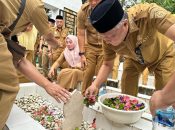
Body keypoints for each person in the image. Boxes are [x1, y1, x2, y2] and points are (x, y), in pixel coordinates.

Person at [85, 0, 175, 100]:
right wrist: (95, 85)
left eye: (111, 36)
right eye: (104, 38)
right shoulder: (107, 39)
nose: (108, 42)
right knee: (126, 94)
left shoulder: (147, 13)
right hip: (133, 59)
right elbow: (107, 64)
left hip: (162, 55)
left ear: (125, 24)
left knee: (166, 97)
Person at [0, 0, 70, 129]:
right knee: (8, 84)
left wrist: (47, 85)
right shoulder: (36, 5)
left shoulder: (8, 28)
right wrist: (56, 45)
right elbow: (49, 37)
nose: (26, 28)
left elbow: (20, 61)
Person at [150, 12, 175, 116]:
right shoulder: (174, 18)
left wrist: (165, 96)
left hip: (166, 52)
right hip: (151, 49)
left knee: (167, 88)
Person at [77, 0, 104, 94]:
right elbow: (80, 34)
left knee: (101, 73)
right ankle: (84, 95)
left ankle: (98, 96)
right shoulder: (83, 12)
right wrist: (82, 54)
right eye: (90, 0)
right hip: (91, 46)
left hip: (106, 45)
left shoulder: (109, 7)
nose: (93, 2)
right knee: (88, 71)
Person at [49, 15, 69, 80]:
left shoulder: (66, 30)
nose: (59, 23)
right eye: (58, 22)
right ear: (56, 22)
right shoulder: (52, 30)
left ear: (63, 22)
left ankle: (63, 80)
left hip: (64, 51)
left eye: (61, 22)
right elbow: (49, 41)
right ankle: (54, 81)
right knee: (54, 68)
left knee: (65, 67)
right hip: (55, 52)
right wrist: (49, 52)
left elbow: (67, 40)